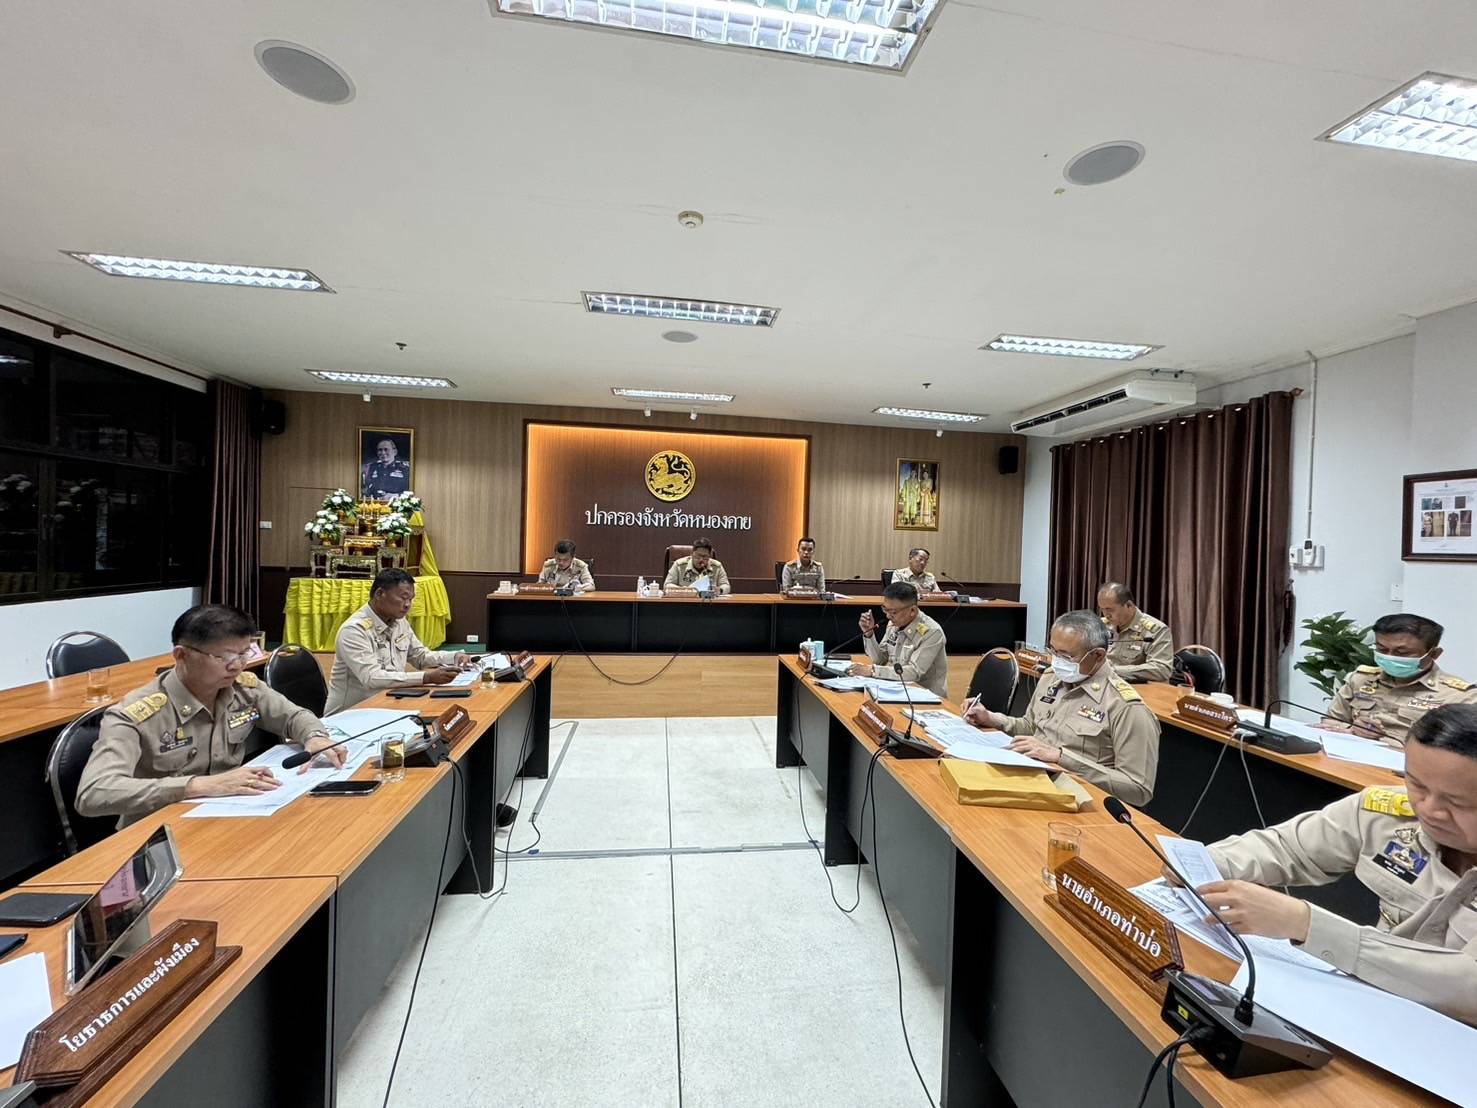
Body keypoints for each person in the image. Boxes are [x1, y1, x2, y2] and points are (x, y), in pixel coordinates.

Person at [1193, 703, 1477, 1025]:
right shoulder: (1387, 812)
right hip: (1373, 1006)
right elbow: (1288, 848)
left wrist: (1306, 924)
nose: (1429, 809)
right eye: (1417, 785)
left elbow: (1467, 985)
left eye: (1456, 801)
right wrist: (1202, 864)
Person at [75, 605, 344, 828]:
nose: (237, 665)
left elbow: (293, 716)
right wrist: (197, 786)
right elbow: (94, 793)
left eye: (243, 653)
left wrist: (315, 737)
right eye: (224, 656)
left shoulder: (243, 688)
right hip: (159, 832)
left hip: (229, 818)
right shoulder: (137, 713)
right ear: (181, 655)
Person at [964, 610, 1160, 806]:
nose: (1057, 661)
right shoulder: (1051, 678)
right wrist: (990, 718)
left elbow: (1138, 789)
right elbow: (1030, 727)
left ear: (1098, 656)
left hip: (1080, 799)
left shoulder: (1126, 707)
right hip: (1031, 780)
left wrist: (1061, 757)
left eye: (1066, 656)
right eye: (1053, 651)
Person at [325, 568, 473, 714]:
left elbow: (420, 656)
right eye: (403, 598)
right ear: (380, 594)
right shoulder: (354, 630)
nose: (408, 605)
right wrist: (426, 677)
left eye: (411, 599)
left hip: (388, 704)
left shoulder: (398, 621)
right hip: (351, 714)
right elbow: (372, 678)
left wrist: (455, 657)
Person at [1322, 613, 1477, 748]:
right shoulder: (1361, 679)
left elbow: (1461, 752)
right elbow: (1328, 723)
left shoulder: (1461, 697)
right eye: (1381, 649)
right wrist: (1352, 729)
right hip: (1346, 763)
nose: (1390, 656)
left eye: (1402, 652)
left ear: (1434, 653)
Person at [850, 580, 949, 699]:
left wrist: (873, 671)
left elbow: (914, 672)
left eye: (893, 612)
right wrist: (869, 634)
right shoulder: (893, 625)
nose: (888, 616)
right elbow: (880, 660)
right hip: (896, 692)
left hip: (926, 699)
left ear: (912, 610)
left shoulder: (932, 632)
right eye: (885, 609)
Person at [1096, 582, 1175, 683]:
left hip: (1137, 689)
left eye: (1109, 610)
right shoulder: (1103, 625)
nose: (1106, 615)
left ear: (1129, 605)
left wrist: (1115, 670)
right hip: (1105, 684)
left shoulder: (1155, 630)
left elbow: (1162, 669)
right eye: (1102, 609)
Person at [664, 538, 731, 594]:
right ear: (692, 554)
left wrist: (719, 590)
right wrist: (682, 590)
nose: (701, 560)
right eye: (698, 556)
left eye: (705, 557)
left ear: (709, 556)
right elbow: (667, 585)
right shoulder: (679, 565)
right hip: (684, 602)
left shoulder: (717, 566)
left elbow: (726, 586)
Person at [361, 437, 411, 501]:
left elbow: (410, 491)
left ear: (395, 452)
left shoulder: (405, 468)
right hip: (374, 505)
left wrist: (397, 495)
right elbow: (364, 489)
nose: (383, 453)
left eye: (386, 449)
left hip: (396, 505)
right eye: (380, 450)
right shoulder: (370, 468)